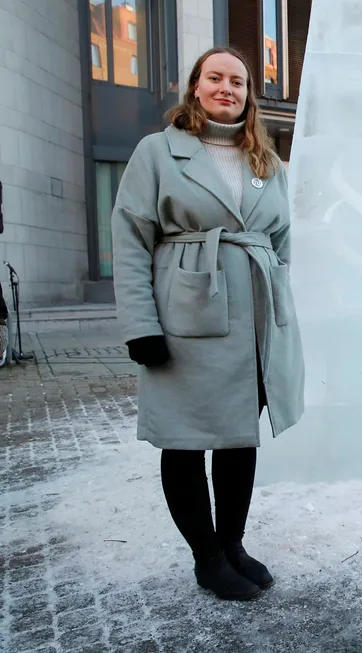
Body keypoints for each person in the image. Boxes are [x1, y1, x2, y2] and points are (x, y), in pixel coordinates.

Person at [111, 47, 305, 599]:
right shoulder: (158, 152)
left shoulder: (264, 158)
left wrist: (279, 305)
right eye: (215, 78)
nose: (228, 88)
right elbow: (129, 241)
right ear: (195, 86)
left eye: (239, 82)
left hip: (255, 324)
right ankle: (207, 556)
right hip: (185, 318)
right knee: (186, 437)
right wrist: (140, 326)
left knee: (239, 436)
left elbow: (283, 243)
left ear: (248, 94)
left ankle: (234, 543)